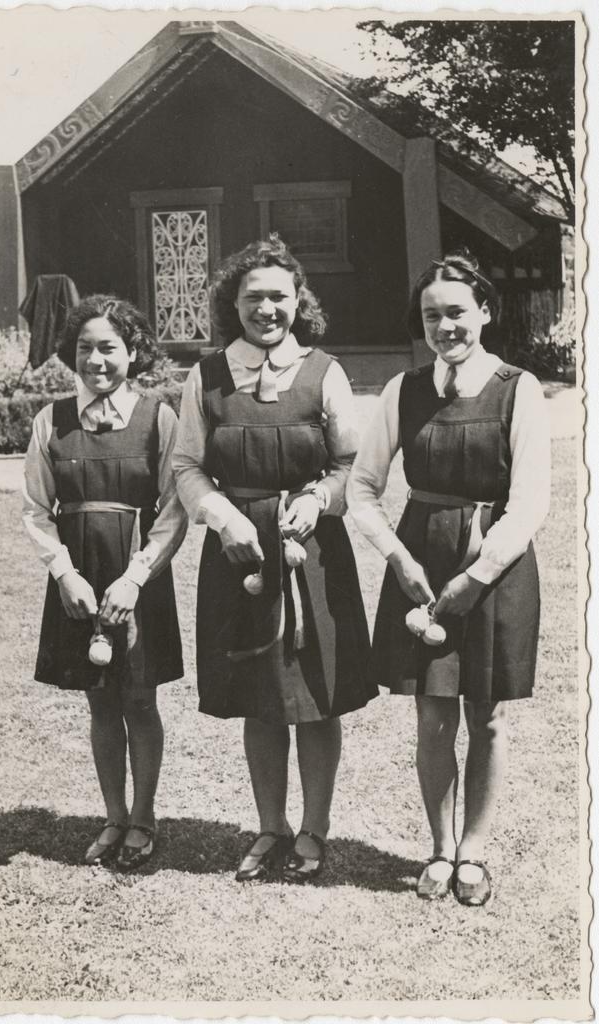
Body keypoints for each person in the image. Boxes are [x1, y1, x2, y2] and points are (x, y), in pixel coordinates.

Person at [347, 250, 550, 906]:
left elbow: (531, 499)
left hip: (495, 567)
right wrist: (396, 556)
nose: (445, 327)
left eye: (457, 312)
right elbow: (360, 487)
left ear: (484, 311)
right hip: (421, 566)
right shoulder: (402, 391)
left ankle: (474, 852)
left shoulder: (518, 388)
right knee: (432, 716)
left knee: (485, 716)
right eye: (432, 316)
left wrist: (479, 574)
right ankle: (438, 849)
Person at [172, 234, 375, 883]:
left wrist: (319, 499)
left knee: (316, 697)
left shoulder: (324, 372)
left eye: (279, 297)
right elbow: (186, 466)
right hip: (240, 555)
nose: (266, 309)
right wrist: (223, 517)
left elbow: (351, 464)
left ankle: (313, 828)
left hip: (310, 551)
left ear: (297, 301)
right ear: (232, 304)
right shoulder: (206, 377)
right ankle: (270, 826)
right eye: (252, 297)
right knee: (260, 699)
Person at [23, 294, 187, 870]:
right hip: (80, 579)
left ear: (133, 351)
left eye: (109, 348)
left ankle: (143, 818)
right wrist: (64, 575)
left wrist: (136, 579)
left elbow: (175, 510)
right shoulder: (51, 421)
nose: (95, 360)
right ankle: (113, 817)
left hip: (136, 576)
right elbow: (36, 510)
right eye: (85, 348)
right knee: (99, 700)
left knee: (139, 699)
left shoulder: (158, 419)